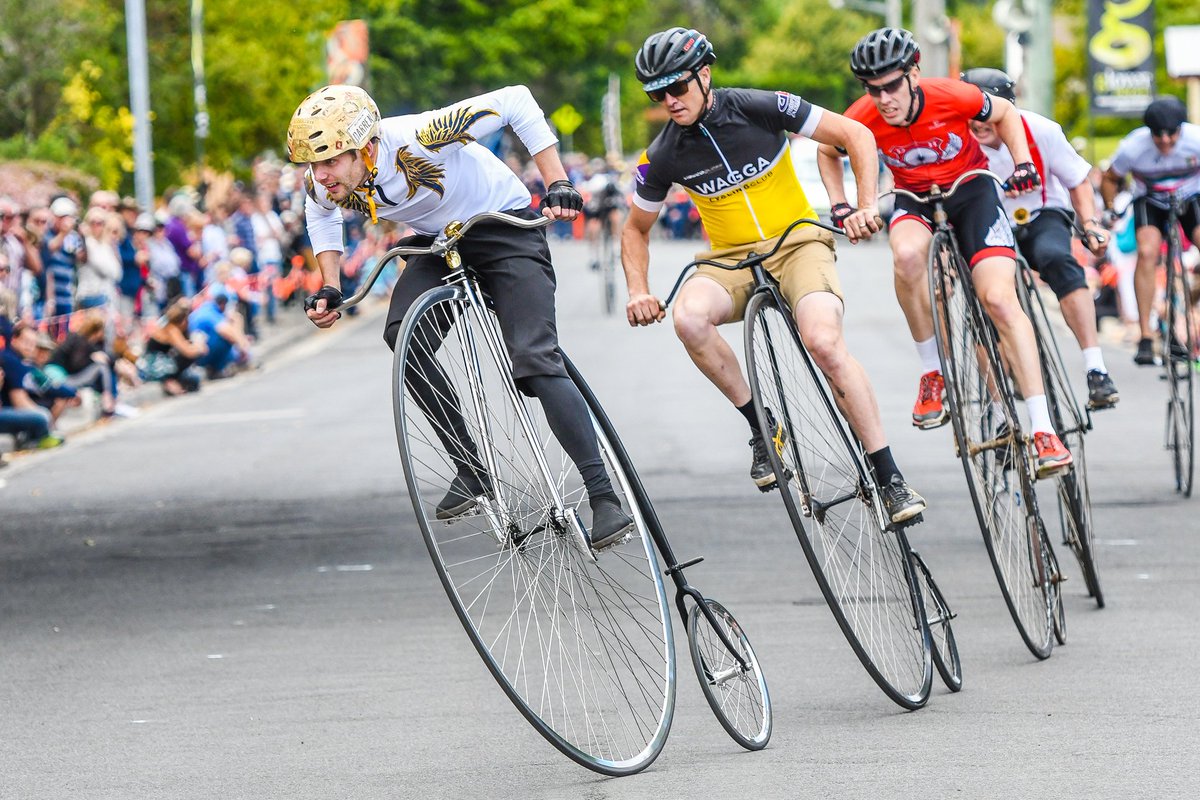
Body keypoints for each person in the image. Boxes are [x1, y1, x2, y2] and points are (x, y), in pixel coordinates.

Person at [287, 83, 636, 548]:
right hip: (438, 242)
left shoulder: (422, 135)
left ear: (366, 147)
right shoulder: (326, 182)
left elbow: (517, 100)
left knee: (534, 357)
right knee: (402, 336)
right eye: (313, 164)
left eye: (331, 161)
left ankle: (604, 498)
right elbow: (321, 215)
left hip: (501, 226)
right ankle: (470, 469)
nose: (321, 174)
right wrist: (330, 282)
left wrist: (557, 182)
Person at [622, 27, 926, 524]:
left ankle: (889, 476)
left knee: (824, 343)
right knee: (688, 318)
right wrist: (638, 290)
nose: (669, 101)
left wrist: (865, 205)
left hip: (798, 243)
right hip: (729, 258)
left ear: (704, 74)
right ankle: (761, 425)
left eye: (677, 88)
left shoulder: (759, 105)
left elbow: (855, 135)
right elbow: (634, 230)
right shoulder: (662, 154)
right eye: (657, 93)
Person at [819, 27, 1072, 478]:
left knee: (997, 299)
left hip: (971, 193)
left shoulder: (951, 94)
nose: (884, 99)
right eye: (872, 90)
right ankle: (933, 372)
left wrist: (1023, 164)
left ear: (914, 73)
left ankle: (1042, 428)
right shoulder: (864, 116)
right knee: (907, 257)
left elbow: (1008, 112)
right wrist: (840, 203)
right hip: (914, 199)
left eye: (892, 85)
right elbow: (827, 150)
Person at [960, 67, 1119, 410]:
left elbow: (1077, 179)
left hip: (1041, 212)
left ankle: (1096, 368)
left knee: (1056, 258)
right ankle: (998, 408)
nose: (979, 124)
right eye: (972, 116)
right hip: (987, 222)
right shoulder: (956, 139)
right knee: (987, 302)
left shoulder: (1042, 130)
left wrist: (1090, 224)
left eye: (988, 115)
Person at [1100, 95, 1200, 365]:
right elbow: (1111, 178)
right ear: (1149, 133)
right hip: (1151, 199)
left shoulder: (1196, 140)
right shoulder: (1133, 147)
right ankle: (1146, 335)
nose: (1166, 141)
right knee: (1146, 251)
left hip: (1191, 196)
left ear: (1182, 128)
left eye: (1172, 134)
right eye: (1159, 135)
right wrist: (1110, 209)